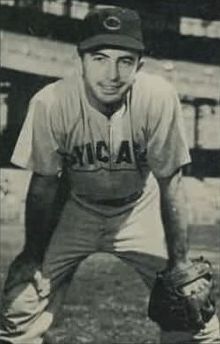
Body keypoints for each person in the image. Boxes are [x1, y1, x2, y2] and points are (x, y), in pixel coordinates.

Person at [0, 6, 219, 344]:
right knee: (21, 304)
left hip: (138, 209)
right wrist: (32, 253)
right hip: (74, 209)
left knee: (195, 314)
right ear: (81, 61)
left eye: (125, 61)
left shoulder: (157, 98)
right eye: (100, 58)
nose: (112, 73)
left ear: (139, 66)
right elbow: (43, 184)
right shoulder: (51, 102)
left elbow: (170, 181)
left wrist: (179, 262)